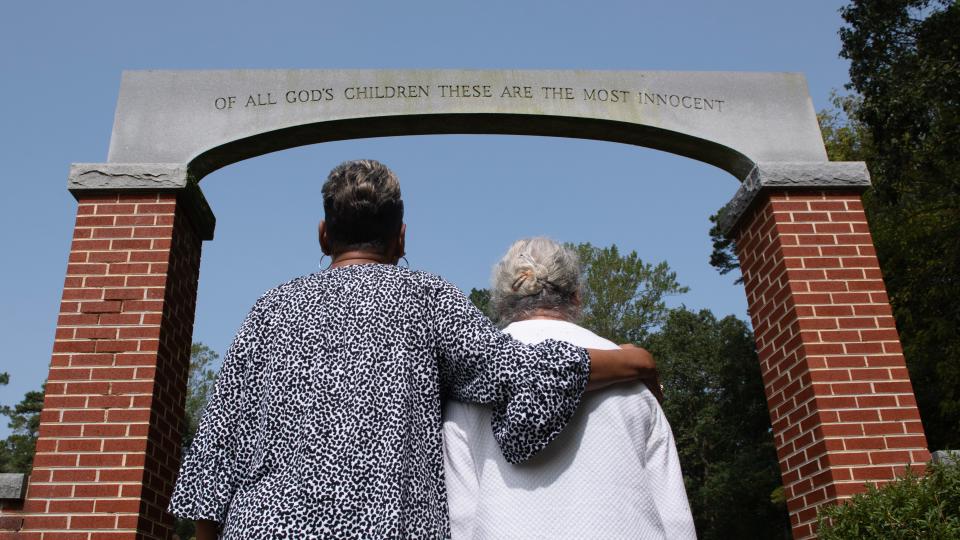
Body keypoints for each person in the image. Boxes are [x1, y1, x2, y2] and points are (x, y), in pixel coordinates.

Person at [168, 160, 659, 539]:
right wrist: (630, 360)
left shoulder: (269, 310)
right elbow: (518, 373)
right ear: (401, 237)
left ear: (323, 234)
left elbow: (215, 455)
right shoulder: (427, 299)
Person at [444, 237, 696, 539]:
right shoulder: (634, 381)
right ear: (576, 297)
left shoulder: (473, 385)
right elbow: (674, 514)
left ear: (500, 302)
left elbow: (460, 515)